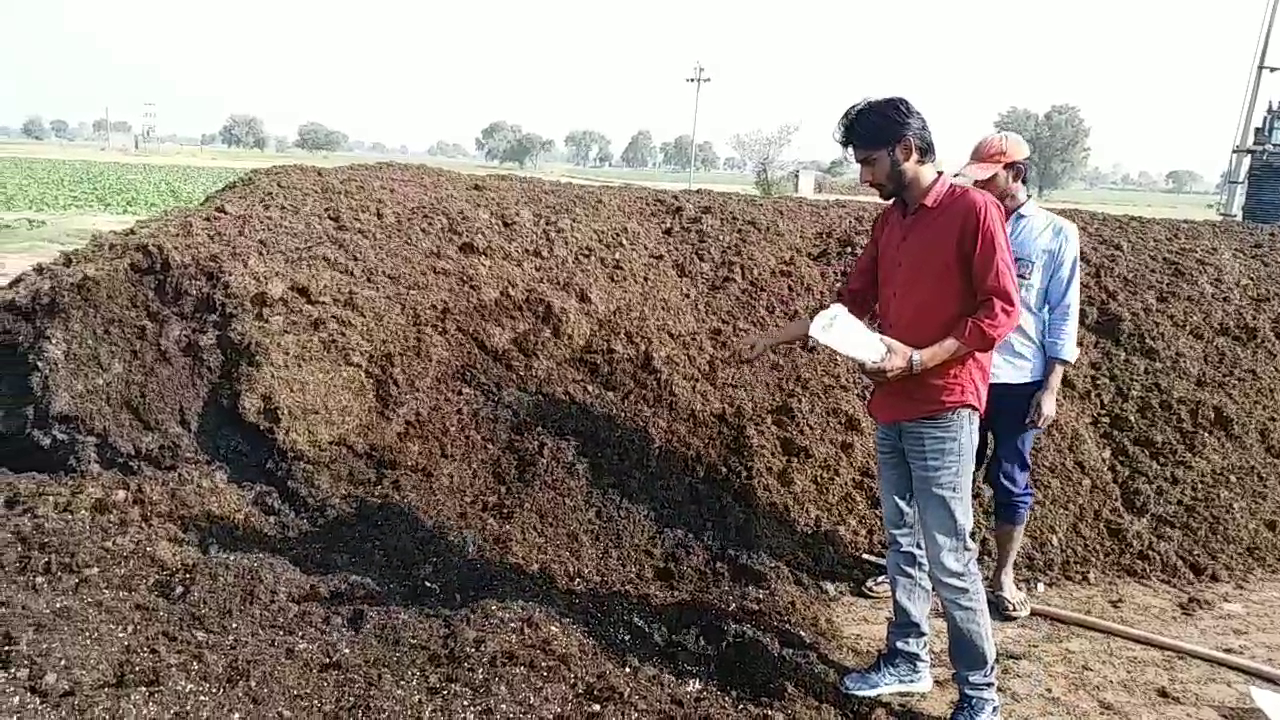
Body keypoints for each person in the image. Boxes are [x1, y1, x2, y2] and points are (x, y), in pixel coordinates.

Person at [741, 97, 1018, 720]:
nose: (864, 177)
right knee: (903, 543)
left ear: (906, 150)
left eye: (869, 162)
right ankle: (908, 659)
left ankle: (979, 693)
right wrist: (777, 337)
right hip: (891, 404)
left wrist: (920, 360)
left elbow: (999, 311)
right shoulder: (891, 221)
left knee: (948, 550)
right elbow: (853, 301)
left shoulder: (973, 212)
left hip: (944, 404)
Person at [859, 132, 1081, 623]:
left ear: (1016, 175)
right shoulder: (961, 219)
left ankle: (1002, 575)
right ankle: (913, 571)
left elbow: (1061, 314)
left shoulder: (1053, 234)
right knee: (934, 485)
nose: (983, 186)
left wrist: (1052, 385)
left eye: (992, 177)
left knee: (1008, 476)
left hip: (1015, 375)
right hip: (957, 372)